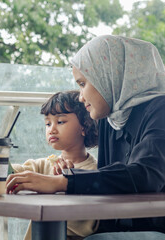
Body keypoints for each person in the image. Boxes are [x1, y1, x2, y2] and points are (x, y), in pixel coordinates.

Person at [6, 35, 165, 239]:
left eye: (83, 83)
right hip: (150, 229)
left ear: (109, 75)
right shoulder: (113, 119)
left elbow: (145, 176)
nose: (80, 96)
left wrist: (64, 182)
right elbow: (115, 188)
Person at [7, 90, 99, 240]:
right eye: (47, 123)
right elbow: (9, 172)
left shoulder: (95, 172)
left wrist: (68, 183)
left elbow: (85, 226)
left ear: (84, 126)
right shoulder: (43, 166)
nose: (52, 129)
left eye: (60, 122)